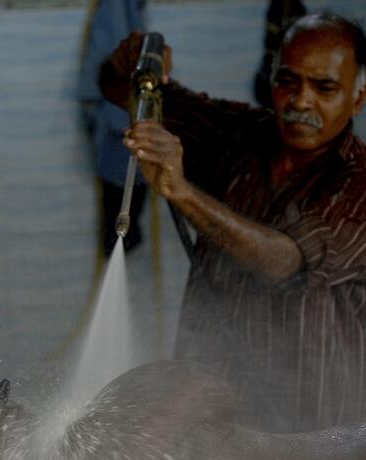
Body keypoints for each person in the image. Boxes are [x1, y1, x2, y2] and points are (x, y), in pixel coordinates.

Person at [100, 13, 366, 432]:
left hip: (308, 426)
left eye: (324, 87)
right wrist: (135, 62)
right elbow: (118, 90)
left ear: (358, 97)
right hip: (208, 406)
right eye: (287, 81)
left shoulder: (358, 185)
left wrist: (182, 191)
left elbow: (283, 261)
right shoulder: (240, 134)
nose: (300, 101)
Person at [78, 0, 148, 256]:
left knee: (129, 198)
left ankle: (122, 238)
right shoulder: (117, 11)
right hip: (119, 129)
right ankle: (119, 239)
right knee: (121, 209)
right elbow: (105, 60)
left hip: (124, 131)